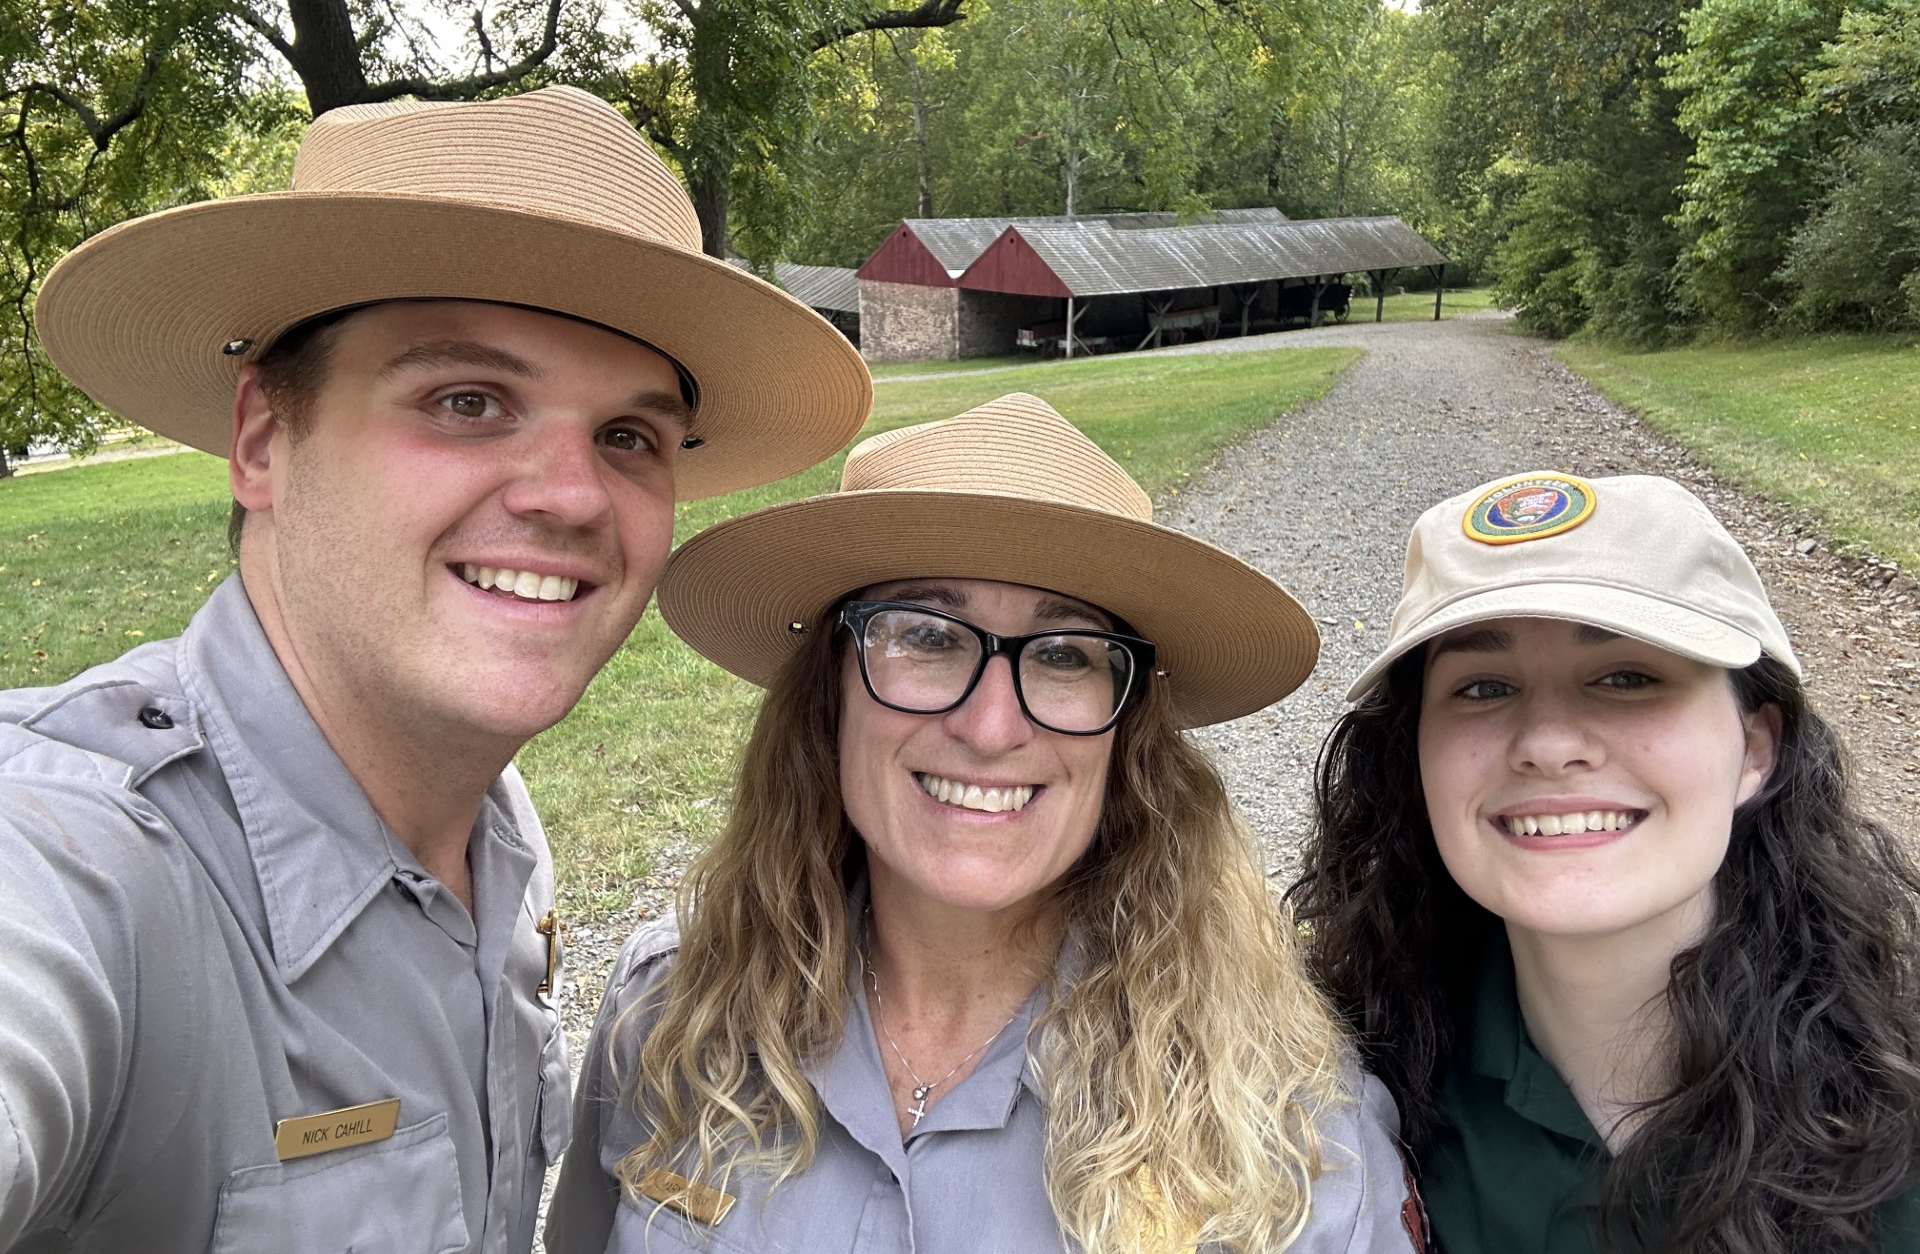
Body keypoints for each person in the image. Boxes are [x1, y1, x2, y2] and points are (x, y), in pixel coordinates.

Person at [0, 86, 872, 1253]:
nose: (570, 495)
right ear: (263, 440)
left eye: (628, 437)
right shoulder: (77, 860)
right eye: (468, 402)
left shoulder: (497, 839)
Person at [547, 393, 1425, 1254]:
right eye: (927, 637)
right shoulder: (669, 1012)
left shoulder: (1294, 1130)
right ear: (830, 692)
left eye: (1063, 655)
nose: (992, 727)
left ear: (1129, 733)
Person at [1288, 470, 1920, 1252]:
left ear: (1756, 748)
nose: (1548, 744)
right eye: (1483, 687)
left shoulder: (1900, 1099)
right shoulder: (1338, 1091)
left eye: (1626, 678)